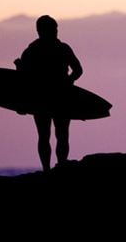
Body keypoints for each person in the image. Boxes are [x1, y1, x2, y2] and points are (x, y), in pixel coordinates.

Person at [15, 15, 83, 172]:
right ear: (40, 31)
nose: (56, 32)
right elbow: (23, 79)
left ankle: (60, 166)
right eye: (52, 29)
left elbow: (78, 70)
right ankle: (47, 169)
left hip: (59, 96)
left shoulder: (61, 48)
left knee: (60, 135)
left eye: (56, 28)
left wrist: (69, 80)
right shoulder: (32, 51)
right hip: (43, 97)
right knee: (46, 135)